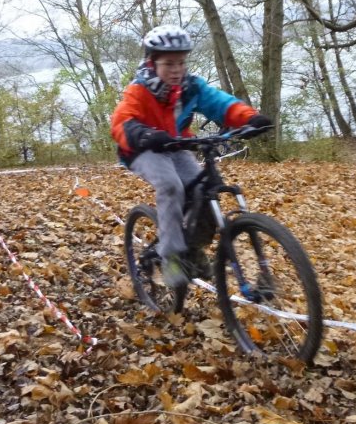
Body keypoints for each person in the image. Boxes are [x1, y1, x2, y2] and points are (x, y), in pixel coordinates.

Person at [110, 24, 272, 289]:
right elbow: (121, 122)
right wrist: (144, 134)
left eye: (181, 63)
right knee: (171, 185)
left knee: (205, 191)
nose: (176, 70)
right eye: (169, 64)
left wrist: (250, 118)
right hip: (142, 148)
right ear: (152, 62)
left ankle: (193, 247)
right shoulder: (139, 90)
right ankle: (171, 256)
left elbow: (220, 103)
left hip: (176, 145)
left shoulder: (190, 86)